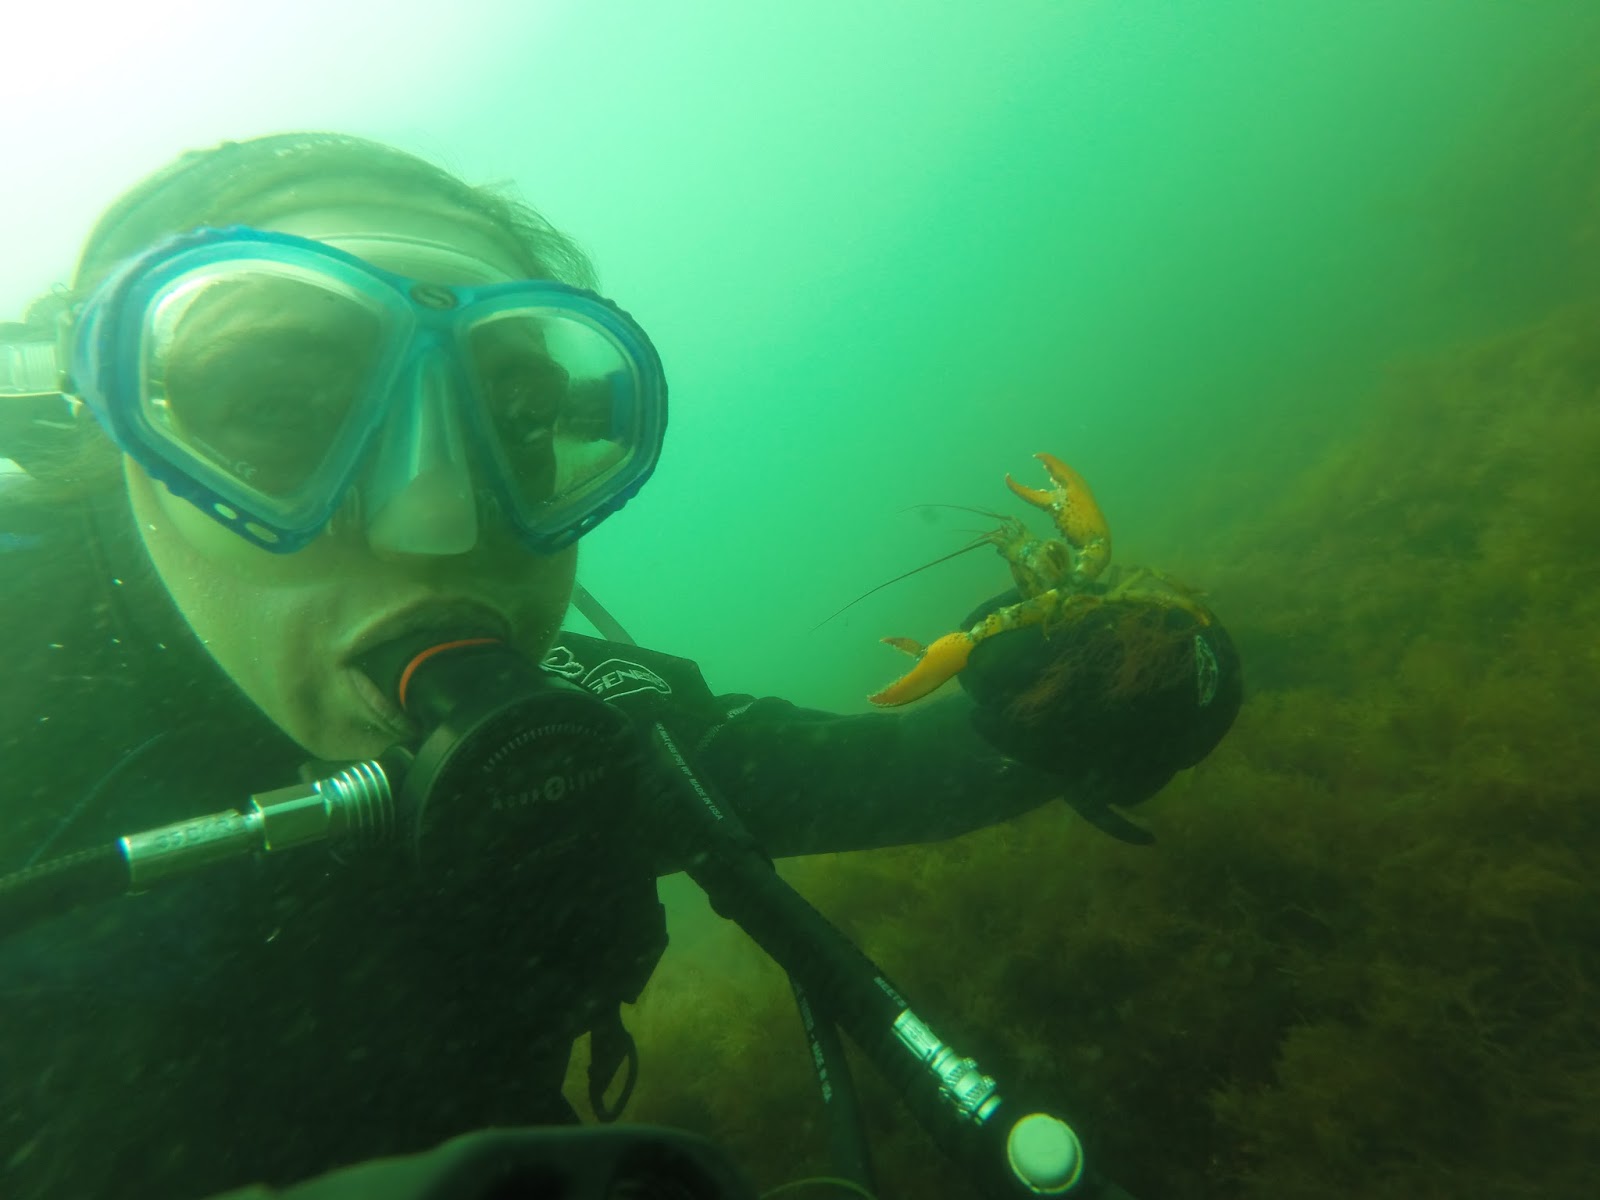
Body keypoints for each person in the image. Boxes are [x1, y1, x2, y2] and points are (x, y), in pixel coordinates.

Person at [0, 132, 1241, 1200]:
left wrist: (1099, 697)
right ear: (115, 438)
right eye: (277, 408)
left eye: (519, 420)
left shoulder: (586, 727)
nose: (438, 520)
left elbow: (897, 769)